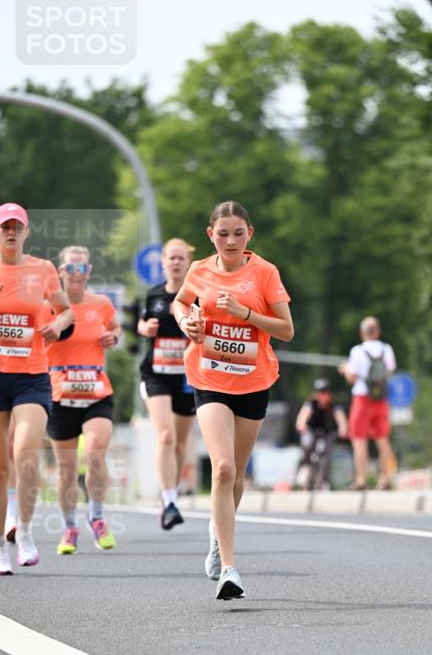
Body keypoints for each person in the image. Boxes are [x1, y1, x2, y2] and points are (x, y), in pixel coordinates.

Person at [172, 201, 293, 600]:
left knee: (237, 474)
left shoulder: (264, 273)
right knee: (222, 468)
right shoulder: (199, 270)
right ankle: (229, 568)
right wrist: (186, 322)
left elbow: (287, 330)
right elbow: (180, 301)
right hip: (209, 379)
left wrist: (245, 313)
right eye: (222, 234)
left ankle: (215, 535)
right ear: (211, 235)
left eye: (238, 234)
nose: (230, 241)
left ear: (249, 235)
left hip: (254, 382)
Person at [0, 203, 73, 575]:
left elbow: (66, 310)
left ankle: (23, 531)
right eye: (4, 227)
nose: (10, 233)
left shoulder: (42, 269)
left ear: (26, 232)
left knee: (25, 453)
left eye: (16, 227)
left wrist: (58, 326)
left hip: (32, 375)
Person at [45, 245, 121, 553]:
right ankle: (69, 527)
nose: (76, 274)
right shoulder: (47, 305)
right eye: (70, 268)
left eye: (82, 269)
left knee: (94, 455)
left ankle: (97, 517)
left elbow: (115, 328)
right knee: (65, 470)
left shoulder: (101, 303)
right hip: (59, 394)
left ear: (88, 273)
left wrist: (114, 337)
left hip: (96, 392)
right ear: (60, 272)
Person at [138, 238, 196, 529]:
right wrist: (144, 328)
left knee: (180, 444)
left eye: (180, 258)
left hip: (187, 378)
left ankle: (169, 497)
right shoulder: (153, 295)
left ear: (188, 263)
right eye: (171, 258)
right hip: (156, 374)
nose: (175, 262)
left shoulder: (197, 296)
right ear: (162, 262)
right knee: (166, 436)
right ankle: (171, 501)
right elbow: (141, 322)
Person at [340, 316, 396, 490]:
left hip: (362, 398)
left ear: (361, 333)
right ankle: (385, 479)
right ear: (378, 332)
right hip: (381, 399)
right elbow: (390, 370)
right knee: (382, 439)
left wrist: (345, 370)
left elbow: (352, 377)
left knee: (359, 439)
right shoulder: (386, 349)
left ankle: (361, 479)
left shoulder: (357, 351)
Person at [295, 378, 348, 490]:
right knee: (308, 443)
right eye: (320, 393)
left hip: (328, 432)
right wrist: (301, 424)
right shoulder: (311, 404)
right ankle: (306, 463)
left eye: (325, 392)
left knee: (326, 454)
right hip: (312, 431)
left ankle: (323, 481)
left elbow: (340, 417)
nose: (323, 395)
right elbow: (303, 416)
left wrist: (343, 429)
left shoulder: (334, 405)